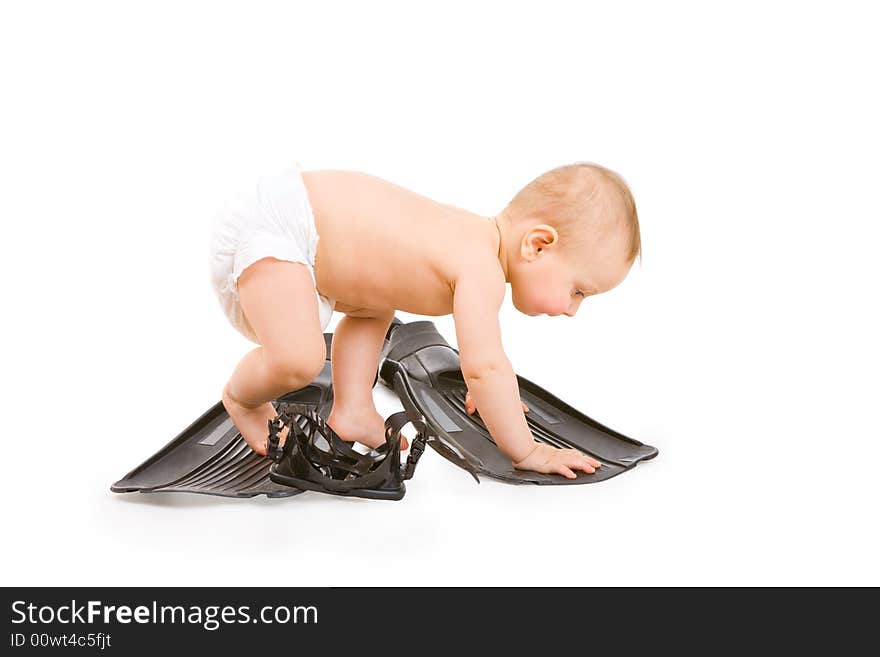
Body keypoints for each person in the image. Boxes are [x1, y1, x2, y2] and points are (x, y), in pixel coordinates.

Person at [208, 160, 640, 479]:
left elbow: (480, 361)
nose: (572, 308)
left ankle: (354, 408)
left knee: (375, 304)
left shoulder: (471, 239)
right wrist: (526, 451)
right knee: (299, 359)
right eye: (578, 290)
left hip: (316, 236)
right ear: (538, 245)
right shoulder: (481, 269)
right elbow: (485, 365)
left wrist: (489, 393)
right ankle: (242, 399)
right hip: (281, 228)